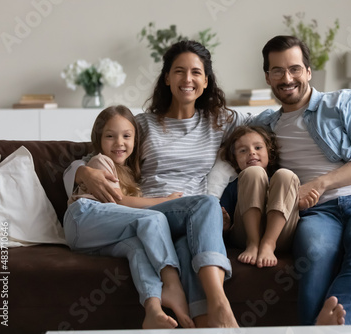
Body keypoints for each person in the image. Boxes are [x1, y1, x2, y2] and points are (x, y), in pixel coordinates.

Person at [63, 40, 249, 328]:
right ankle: (221, 304)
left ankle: (204, 324)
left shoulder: (220, 122)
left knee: (189, 248)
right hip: (150, 212)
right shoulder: (143, 125)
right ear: (166, 77)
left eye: (196, 73)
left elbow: (266, 129)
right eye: (179, 71)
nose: (187, 79)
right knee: (207, 203)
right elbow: (97, 157)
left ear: (206, 80)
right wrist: (83, 173)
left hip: (192, 220)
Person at [251, 35, 351, 326]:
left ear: (308, 71)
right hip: (316, 213)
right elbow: (222, 137)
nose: (287, 77)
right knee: (315, 254)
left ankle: (321, 330)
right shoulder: (263, 125)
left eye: (294, 68)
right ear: (267, 77)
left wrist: (319, 184)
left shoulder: (344, 102)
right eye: (277, 70)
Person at [64, 105, 192, 329]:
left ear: (136, 139)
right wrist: (166, 200)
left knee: (138, 248)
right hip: (83, 216)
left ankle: (153, 310)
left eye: (126, 136)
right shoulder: (100, 163)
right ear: (99, 139)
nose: (119, 143)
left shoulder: (131, 175)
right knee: (153, 219)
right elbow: (119, 201)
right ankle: (173, 284)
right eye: (110, 136)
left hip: (91, 238)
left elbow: (123, 206)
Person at [218, 125, 319, 268]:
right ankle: (253, 243)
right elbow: (223, 217)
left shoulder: (282, 181)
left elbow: (301, 215)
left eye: (258, 148)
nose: (251, 153)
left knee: (286, 175)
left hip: (280, 236)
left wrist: (301, 206)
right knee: (253, 173)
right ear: (235, 160)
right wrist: (225, 226)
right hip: (244, 235)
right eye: (243, 150)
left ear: (269, 153)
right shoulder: (235, 185)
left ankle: (268, 243)